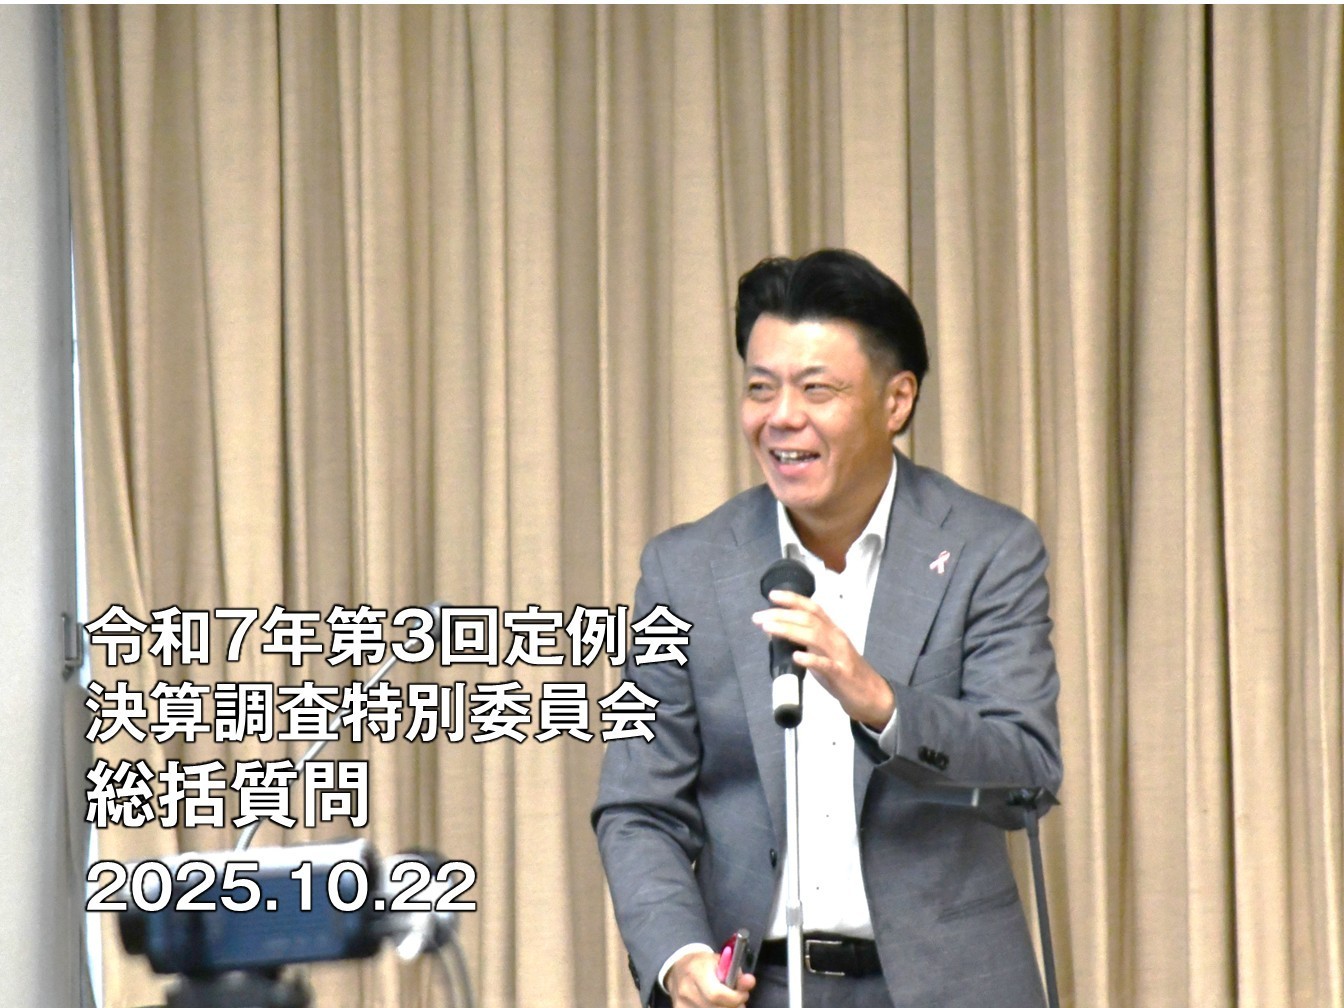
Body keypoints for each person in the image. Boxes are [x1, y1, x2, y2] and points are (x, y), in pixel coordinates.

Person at [593, 249, 1062, 1008]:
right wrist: (678, 957)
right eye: (760, 387)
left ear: (896, 401)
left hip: (948, 987)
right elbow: (639, 805)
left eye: (817, 389)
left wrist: (882, 702)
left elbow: (1026, 771)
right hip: (758, 987)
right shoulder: (684, 571)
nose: (782, 417)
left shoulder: (988, 550)